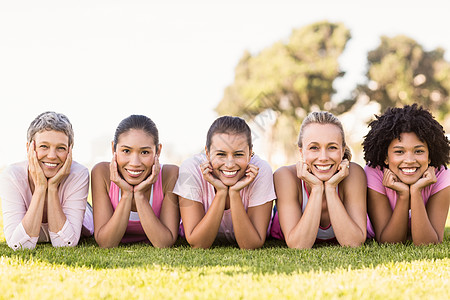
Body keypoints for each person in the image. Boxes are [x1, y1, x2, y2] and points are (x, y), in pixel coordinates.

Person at [174, 116, 276, 249]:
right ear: (207, 152)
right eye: (221, 154)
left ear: (250, 153)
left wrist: (234, 193)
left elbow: (251, 245)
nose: (229, 164)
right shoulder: (191, 169)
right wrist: (221, 192)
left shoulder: (260, 170)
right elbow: (198, 243)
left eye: (238, 154)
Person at [270, 111, 367, 249]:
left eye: (332, 147)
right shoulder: (285, 176)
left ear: (342, 150)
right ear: (301, 152)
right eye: (314, 148)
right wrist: (316, 188)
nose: (323, 157)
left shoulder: (354, 174)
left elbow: (354, 243)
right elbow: (299, 245)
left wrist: (331, 188)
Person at [0, 111, 93, 250]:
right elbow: (18, 245)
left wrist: (53, 187)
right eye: (44, 146)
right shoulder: (12, 176)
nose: (52, 156)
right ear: (29, 148)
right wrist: (41, 188)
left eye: (61, 148)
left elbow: (65, 244)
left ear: (69, 152)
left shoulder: (79, 174)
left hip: (85, 212)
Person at [363, 104, 450, 245]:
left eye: (419, 151)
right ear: (386, 157)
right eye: (399, 152)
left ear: (430, 156)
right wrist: (403, 196)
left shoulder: (441, 175)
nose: (409, 160)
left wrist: (416, 192)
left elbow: (428, 243)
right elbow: (389, 242)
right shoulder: (374, 173)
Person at [91, 115, 179, 248]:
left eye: (144, 152)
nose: (135, 163)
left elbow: (164, 243)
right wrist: (126, 194)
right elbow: (106, 243)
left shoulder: (170, 175)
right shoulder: (102, 173)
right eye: (126, 151)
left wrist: (139, 195)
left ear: (158, 151)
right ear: (114, 148)